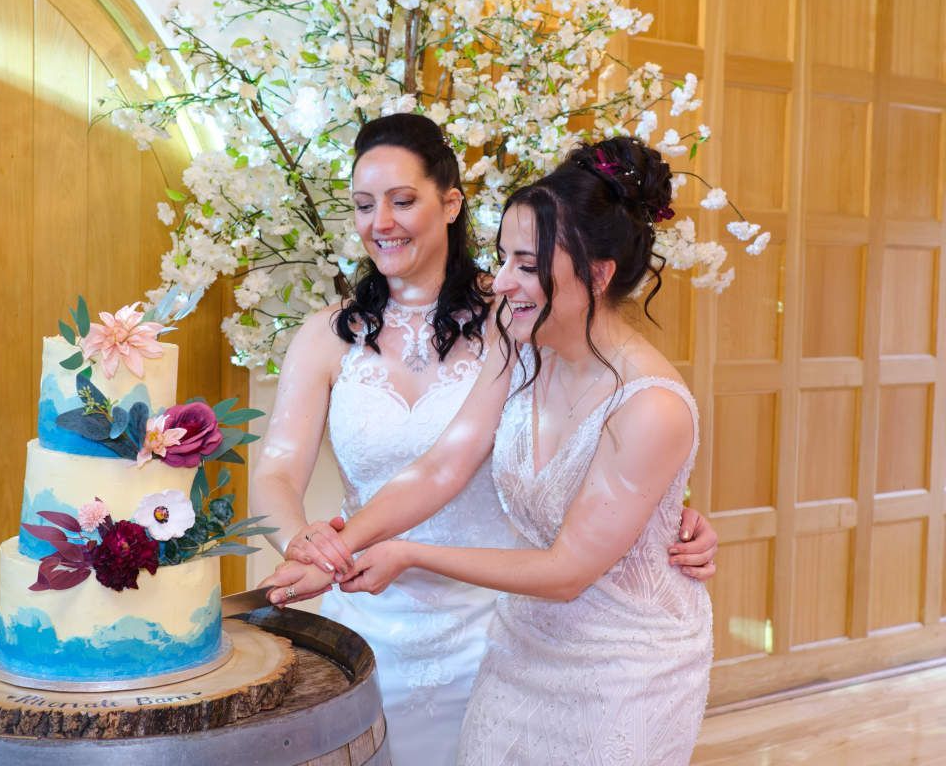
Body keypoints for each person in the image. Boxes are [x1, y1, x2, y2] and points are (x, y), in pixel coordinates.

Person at [252, 119, 716, 764]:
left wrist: (664, 519)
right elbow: (444, 464)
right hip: (515, 638)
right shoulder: (521, 333)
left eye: (524, 265)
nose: (501, 282)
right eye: (362, 204)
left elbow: (571, 561)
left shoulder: (620, 387)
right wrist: (331, 551)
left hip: (602, 655)